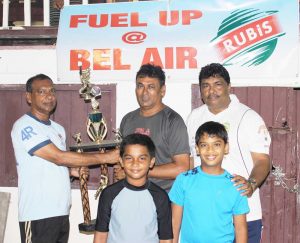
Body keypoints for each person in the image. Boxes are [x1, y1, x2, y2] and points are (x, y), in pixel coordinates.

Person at [11, 74, 119, 243]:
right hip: (37, 214)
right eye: (42, 91)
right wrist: (106, 157)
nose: (49, 96)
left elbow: (52, 163)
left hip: (61, 212)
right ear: (28, 97)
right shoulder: (24, 125)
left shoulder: (58, 129)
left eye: (52, 91)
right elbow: (58, 157)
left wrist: (70, 172)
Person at [186, 63, 271, 243]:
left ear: (228, 86)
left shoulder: (248, 117)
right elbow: (192, 160)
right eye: (205, 85)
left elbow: (263, 161)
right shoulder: (194, 117)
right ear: (200, 90)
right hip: (206, 214)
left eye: (217, 84)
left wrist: (251, 183)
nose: (211, 91)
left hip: (243, 212)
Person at [114, 63, 190, 191]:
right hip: (131, 193)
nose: (144, 92)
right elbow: (121, 159)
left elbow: (182, 168)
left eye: (151, 87)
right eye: (140, 86)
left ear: (162, 91)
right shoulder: (127, 120)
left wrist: (138, 171)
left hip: (164, 197)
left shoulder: (173, 121)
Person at [169, 121, 249, 243]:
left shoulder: (236, 185)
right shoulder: (184, 180)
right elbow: (174, 224)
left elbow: (241, 229)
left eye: (216, 144)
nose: (210, 150)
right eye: (204, 145)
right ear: (197, 148)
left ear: (226, 147)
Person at [93, 133, 173, 243]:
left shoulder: (160, 197)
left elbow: (165, 239)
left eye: (142, 158)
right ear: (121, 161)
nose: (135, 163)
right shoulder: (109, 194)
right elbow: (100, 236)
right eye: (129, 158)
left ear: (151, 162)